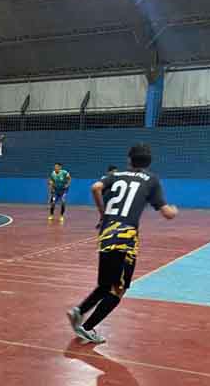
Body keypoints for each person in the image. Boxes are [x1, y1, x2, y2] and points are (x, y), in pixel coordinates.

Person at [67, 143, 178, 344]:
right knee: (118, 289)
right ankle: (86, 328)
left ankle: (79, 311)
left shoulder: (116, 175)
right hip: (126, 239)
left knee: (104, 284)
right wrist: (174, 210)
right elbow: (167, 213)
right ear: (149, 162)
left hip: (107, 233)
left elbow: (96, 187)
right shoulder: (151, 179)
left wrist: (102, 212)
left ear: (129, 159)